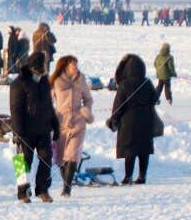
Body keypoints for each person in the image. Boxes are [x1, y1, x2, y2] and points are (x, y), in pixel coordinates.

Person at [9, 51, 57, 202]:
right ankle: (22, 192)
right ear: (38, 65)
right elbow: (15, 109)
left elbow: (49, 106)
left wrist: (56, 125)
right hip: (25, 131)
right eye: (44, 62)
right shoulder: (19, 83)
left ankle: (42, 190)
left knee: (46, 160)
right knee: (22, 163)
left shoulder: (44, 82)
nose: (46, 65)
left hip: (43, 130)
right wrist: (17, 132)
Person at [106, 53, 159, 185]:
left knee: (130, 149)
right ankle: (142, 176)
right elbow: (154, 99)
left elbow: (118, 104)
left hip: (128, 121)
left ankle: (128, 176)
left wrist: (114, 120)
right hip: (146, 120)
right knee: (143, 149)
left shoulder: (124, 84)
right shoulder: (147, 82)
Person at [50, 55, 93, 197]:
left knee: (72, 155)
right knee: (61, 157)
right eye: (73, 64)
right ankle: (66, 182)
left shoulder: (81, 80)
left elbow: (88, 99)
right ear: (65, 66)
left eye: (76, 64)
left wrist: (85, 111)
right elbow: (48, 101)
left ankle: (67, 189)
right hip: (61, 123)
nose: (76, 67)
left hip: (78, 122)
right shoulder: (56, 81)